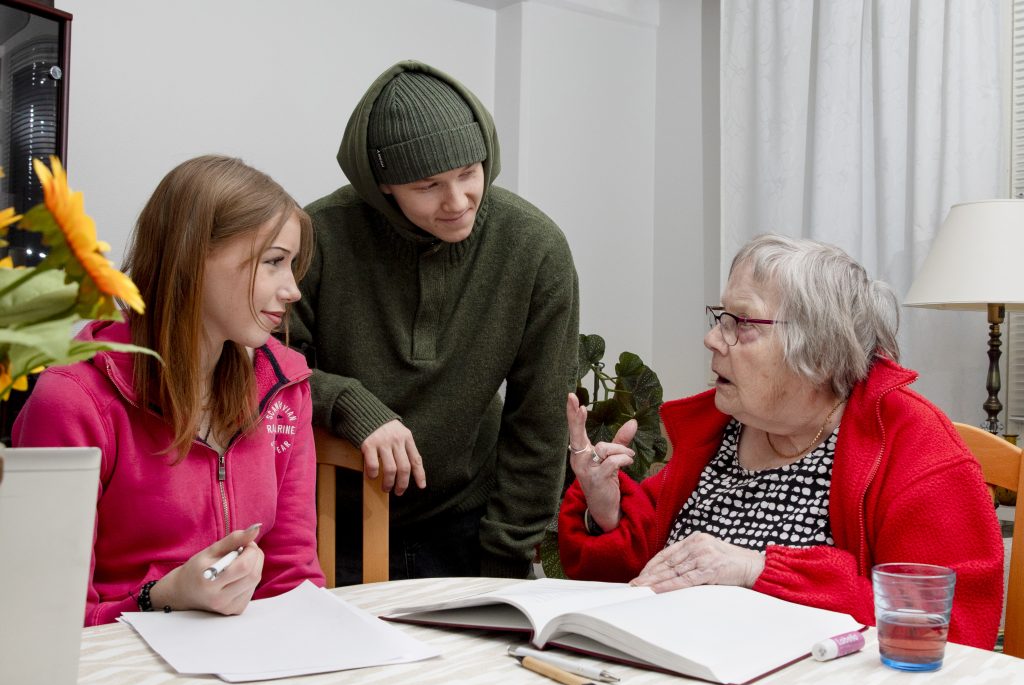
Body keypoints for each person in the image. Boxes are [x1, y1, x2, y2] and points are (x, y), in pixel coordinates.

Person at [559, 234, 1004, 649]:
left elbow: (942, 631)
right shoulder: (722, 430)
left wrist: (757, 568)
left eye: (741, 323)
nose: (712, 338)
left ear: (819, 349)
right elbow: (642, 581)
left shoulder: (914, 447)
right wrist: (607, 508)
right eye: (720, 318)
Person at [293, 60, 579, 583]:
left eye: (470, 173)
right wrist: (347, 401)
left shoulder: (535, 248)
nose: (457, 202)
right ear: (381, 185)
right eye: (428, 186)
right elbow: (257, 367)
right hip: (330, 526)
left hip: (470, 528)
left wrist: (507, 556)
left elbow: (538, 420)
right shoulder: (317, 237)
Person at [13, 155, 325, 625]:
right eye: (274, 263)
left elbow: (292, 578)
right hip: (115, 670)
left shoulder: (285, 387)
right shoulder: (74, 398)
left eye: (292, 265)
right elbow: (41, 621)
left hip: (245, 666)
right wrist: (163, 596)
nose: (293, 289)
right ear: (194, 257)